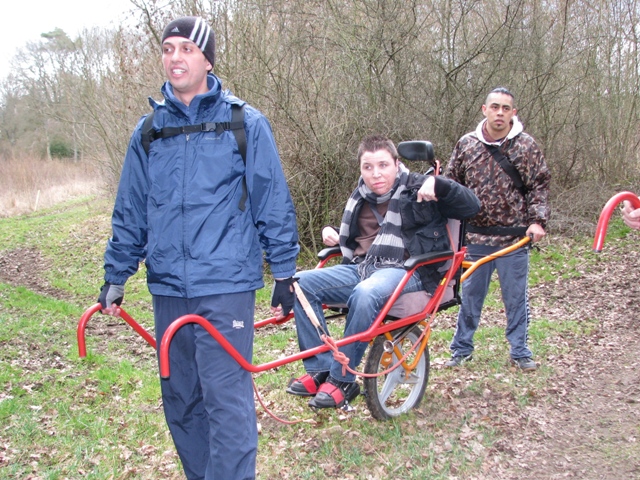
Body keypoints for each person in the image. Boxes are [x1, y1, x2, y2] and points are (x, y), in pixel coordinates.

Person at [97, 16, 299, 480]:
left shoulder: (243, 122)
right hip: (168, 286)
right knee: (181, 399)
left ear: (207, 59)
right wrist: (116, 275)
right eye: (168, 49)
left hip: (225, 285)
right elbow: (131, 209)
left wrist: (285, 271)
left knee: (226, 400)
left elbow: (272, 199)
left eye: (186, 48)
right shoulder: (148, 132)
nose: (174, 58)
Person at [286, 135, 480, 409]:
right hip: (363, 268)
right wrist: (333, 233)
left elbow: (472, 206)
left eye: (383, 165)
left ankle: (343, 378)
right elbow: (358, 242)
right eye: (368, 167)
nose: (376, 174)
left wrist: (441, 184)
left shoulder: (418, 188)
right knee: (300, 283)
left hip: (408, 270)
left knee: (367, 293)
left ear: (396, 164)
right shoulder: (360, 197)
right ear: (360, 169)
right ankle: (320, 368)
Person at [444, 87, 551, 371]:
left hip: (514, 240)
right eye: (495, 107)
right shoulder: (466, 145)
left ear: (513, 113)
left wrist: (537, 221)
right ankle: (461, 350)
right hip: (475, 237)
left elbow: (539, 185)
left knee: (516, 299)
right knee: (469, 299)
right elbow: (451, 185)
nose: (500, 113)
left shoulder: (526, 146)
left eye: (505, 108)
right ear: (484, 109)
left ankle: (520, 351)